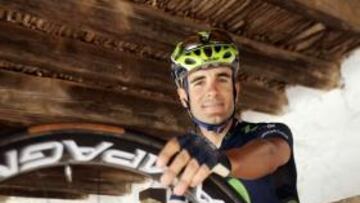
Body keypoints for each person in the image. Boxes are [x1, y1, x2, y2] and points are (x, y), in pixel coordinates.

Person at [156, 29, 299, 203]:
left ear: (235, 90)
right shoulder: (182, 166)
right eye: (199, 81)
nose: (212, 91)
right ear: (184, 97)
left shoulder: (269, 133)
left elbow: (271, 152)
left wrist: (221, 160)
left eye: (222, 78)